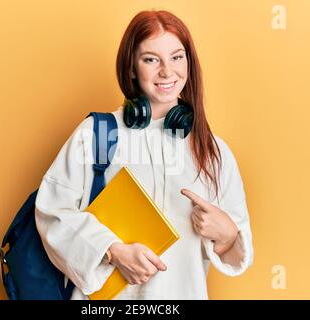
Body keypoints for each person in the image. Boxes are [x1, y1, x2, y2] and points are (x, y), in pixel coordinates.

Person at [35, 10, 254, 300]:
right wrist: (112, 251)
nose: (167, 71)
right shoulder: (98, 134)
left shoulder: (214, 152)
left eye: (177, 57)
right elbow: (52, 213)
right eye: (151, 59)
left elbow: (236, 249)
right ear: (131, 68)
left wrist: (227, 237)